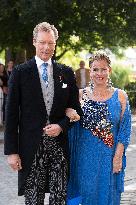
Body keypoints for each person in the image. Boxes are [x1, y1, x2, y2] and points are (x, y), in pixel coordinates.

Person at [4, 22, 82, 205]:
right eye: (42, 42)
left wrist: (61, 126)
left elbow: (76, 110)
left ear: (55, 44)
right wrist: (12, 152)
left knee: (59, 198)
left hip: (59, 150)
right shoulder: (20, 73)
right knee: (33, 200)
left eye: (51, 43)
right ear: (34, 42)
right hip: (31, 149)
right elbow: (11, 115)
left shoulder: (67, 73)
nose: (46, 47)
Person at [67, 53, 131, 205]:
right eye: (95, 69)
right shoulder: (80, 95)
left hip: (110, 159)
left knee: (109, 197)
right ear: (90, 71)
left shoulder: (120, 96)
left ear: (110, 70)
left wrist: (117, 158)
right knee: (86, 196)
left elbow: (125, 130)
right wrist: (69, 111)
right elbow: (64, 115)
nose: (99, 73)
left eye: (104, 69)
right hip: (84, 160)